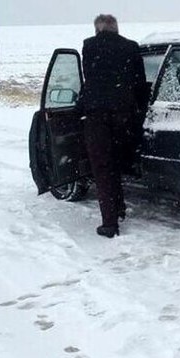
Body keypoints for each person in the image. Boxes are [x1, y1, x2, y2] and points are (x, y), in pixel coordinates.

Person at [79, 14, 150, 238]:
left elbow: (89, 78)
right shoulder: (131, 47)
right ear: (116, 28)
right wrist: (136, 110)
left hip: (97, 117)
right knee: (117, 163)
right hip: (125, 116)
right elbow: (140, 83)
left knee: (102, 168)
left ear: (97, 29)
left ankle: (110, 223)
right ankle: (118, 209)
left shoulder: (89, 46)